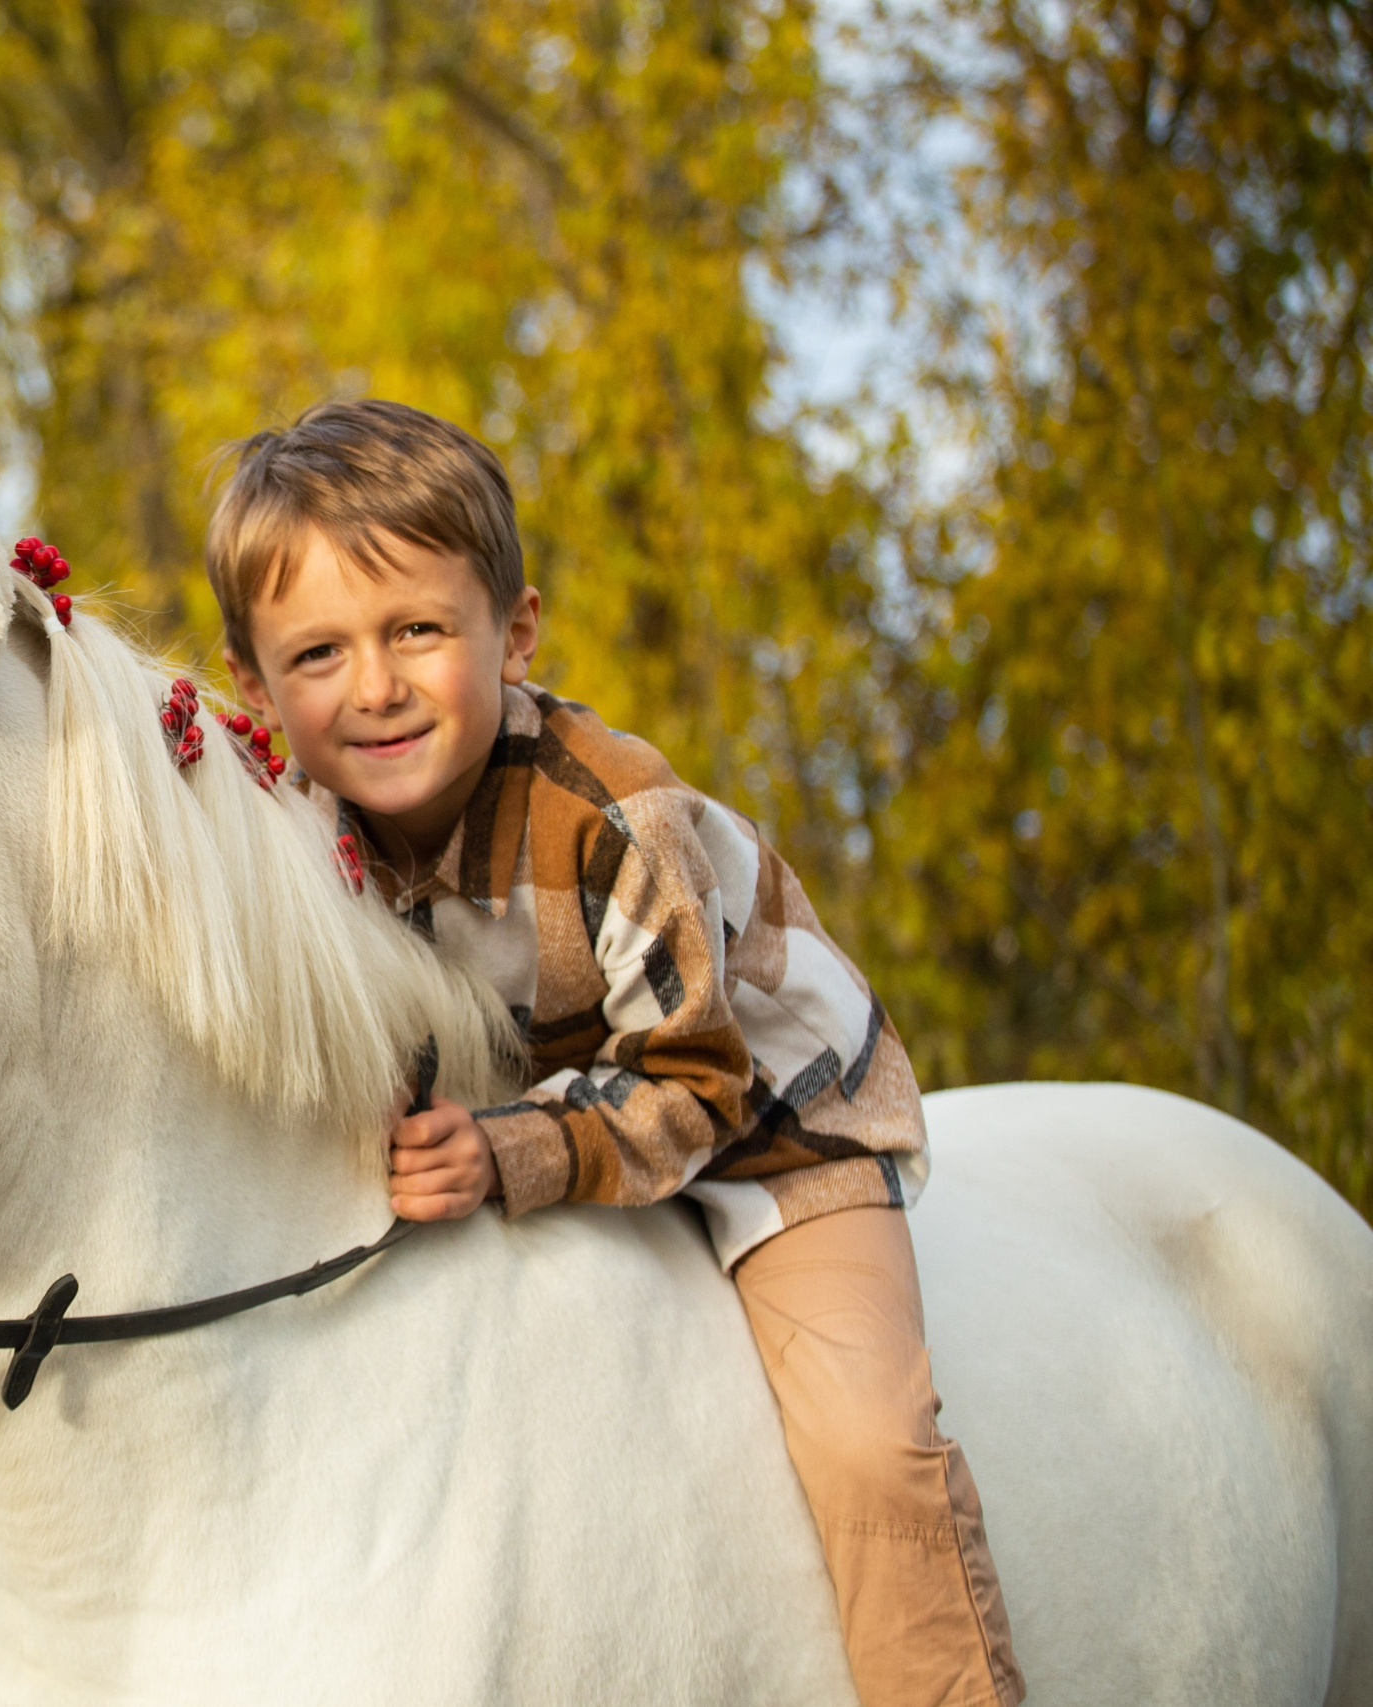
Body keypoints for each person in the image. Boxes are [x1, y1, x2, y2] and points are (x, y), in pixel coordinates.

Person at [206, 399, 1024, 1707]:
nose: (375, 687)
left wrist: (501, 1150)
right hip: (543, 1104)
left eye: (419, 629)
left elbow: (699, 1084)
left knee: (872, 1448)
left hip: (768, 1124)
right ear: (253, 685)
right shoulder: (296, 823)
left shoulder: (606, 809)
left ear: (515, 631)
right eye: (318, 653)